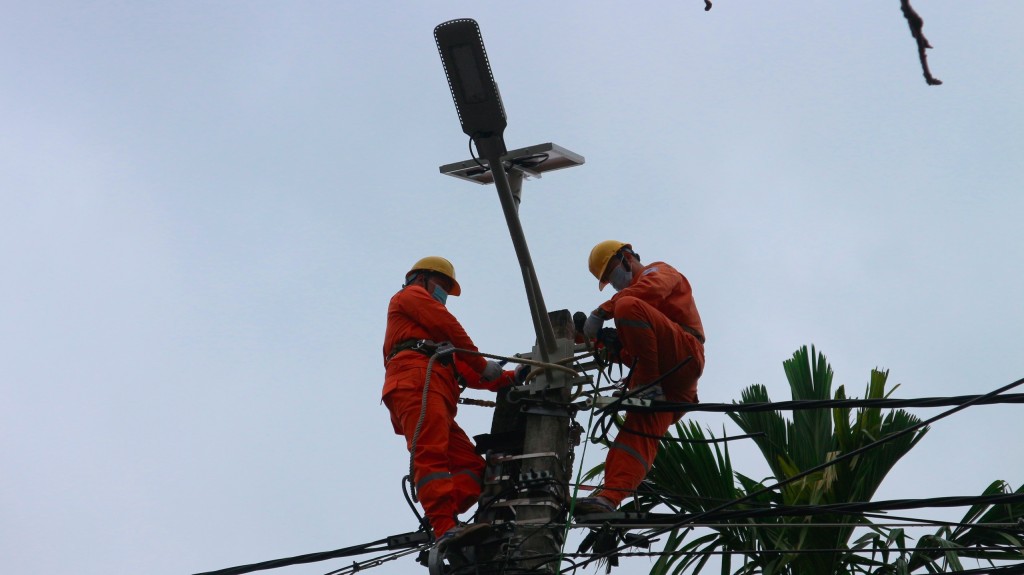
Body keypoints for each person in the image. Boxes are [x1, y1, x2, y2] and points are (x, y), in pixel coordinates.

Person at [382, 256, 517, 547]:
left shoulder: (432, 340)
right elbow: (448, 326)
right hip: (414, 382)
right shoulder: (409, 296)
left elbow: (466, 369)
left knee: (475, 470)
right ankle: (444, 526)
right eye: (441, 285)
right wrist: (482, 364)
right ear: (421, 279)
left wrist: (511, 378)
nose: (443, 295)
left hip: (434, 390)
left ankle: (442, 521)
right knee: (431, 454)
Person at [575, 241, 706, 514]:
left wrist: (602, 311)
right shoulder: (631, 306)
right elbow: (638, 350)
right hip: (668, 388)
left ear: (626, 258)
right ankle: (608, 499)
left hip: (683, 355)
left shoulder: (659, 271)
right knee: (634, 437)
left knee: (626, 306)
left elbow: (651, 291)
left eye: (612, 274)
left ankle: (646, 387)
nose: (614, 283)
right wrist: (595, 339)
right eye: (608, 281)